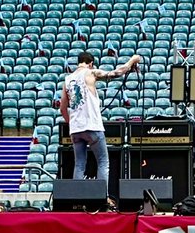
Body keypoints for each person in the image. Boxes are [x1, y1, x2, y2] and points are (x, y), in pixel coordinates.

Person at [60, 51, 141, 189]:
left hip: (76, 129)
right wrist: (132, 61)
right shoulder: (90, 73)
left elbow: (62, 108)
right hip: (92, 126)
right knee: (103, 162)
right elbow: (115, 73)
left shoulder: (67, 80)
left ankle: (76, 199)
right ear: (91, 63)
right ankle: (102, 198)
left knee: (79, 164)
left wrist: (71, 123)